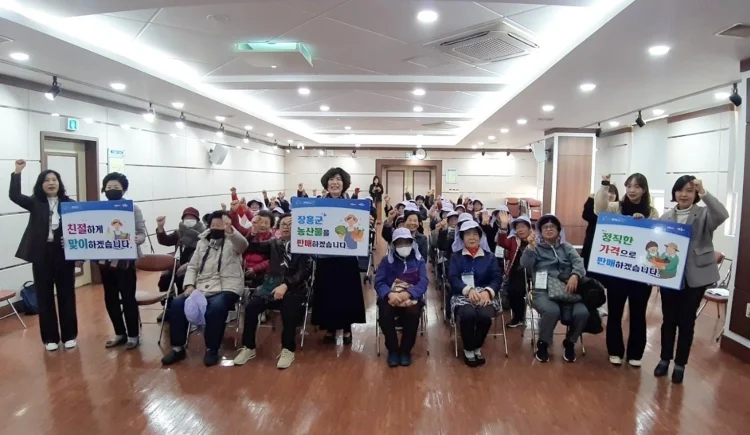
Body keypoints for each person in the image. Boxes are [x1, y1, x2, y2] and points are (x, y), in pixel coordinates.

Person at [655, 176, 728, 383]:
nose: (684, 194)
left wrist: (704, 191)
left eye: (689, 190)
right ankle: (664, 359)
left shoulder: (704, 214)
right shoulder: (666, 217)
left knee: (687, 322)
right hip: (670, 275)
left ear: (695, 194)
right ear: (674, 193)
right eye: (680, 190)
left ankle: (680, 364)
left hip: (694, 277)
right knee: (668, 320)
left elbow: (722, 214)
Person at [161, 211, 248, 367]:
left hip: (227, 286)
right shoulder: (202, 242)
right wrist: (189, 285)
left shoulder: (233, 240)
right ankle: (178, 348)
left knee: (216, 307)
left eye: (220, 225)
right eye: (213, 225)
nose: (216, 228)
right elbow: (193, 266)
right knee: (177, 304)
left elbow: (243, 245)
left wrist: (230, 229)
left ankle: (212, 349)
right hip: (201, 286)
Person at [10, 159, 77, 351]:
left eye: (54, 179)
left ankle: (70, 335)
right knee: (44, 296)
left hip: (63, 254)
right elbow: (14, 195)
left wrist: (74, 246)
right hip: (41, 254)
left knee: (67, 295)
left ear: (59, 183)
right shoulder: (35, 202)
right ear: (41, 185)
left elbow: (79, 229)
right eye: (47, 180)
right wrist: (17, 172)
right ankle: (50, 338)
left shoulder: (70, 204)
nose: (51, 183)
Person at [595, 173, 660, 367]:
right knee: (615, 312)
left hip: (641, 271)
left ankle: (635, 354)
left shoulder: (652, 211)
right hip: (618, 270)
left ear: (644, 190)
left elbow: (657, 238)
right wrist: (604, 185)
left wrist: (644, 223)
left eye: (637, 186)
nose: (632, 190)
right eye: (629, 186)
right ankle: (615, 351)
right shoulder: (616, 207)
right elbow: (599, 210)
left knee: (638, 314)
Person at [233, 213, 313, 369]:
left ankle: (288, 349)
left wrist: (286, 285)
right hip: (271, 286)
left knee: (288, 310)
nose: (286, 227)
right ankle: (248, 347)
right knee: (251, 307)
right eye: (283, 224)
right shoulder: (274, 243)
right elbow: (251, 247)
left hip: (295, 288)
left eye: (290, 224)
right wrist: (253, 233)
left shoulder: (305, 245)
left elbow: (304, 271)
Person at [521, 215, 589, 363]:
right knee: (552, 311)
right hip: (542, 291)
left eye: (552, 226)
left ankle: (570, 342)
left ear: (559, 230)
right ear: (540, 231)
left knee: (582, 312)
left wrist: (575, 275)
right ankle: (543, 343)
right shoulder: (535, 248)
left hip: (568, 289)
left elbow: (579, 263)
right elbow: (525, 264)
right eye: (545, 227)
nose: (549, 229)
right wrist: (530, 247)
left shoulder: (567, 247)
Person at [312, 168, 368, 344]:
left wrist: (366, 222)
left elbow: (359, 230)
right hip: (325, 257)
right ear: (326, 183)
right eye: (331, 179)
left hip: (347, 257)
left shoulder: (353, 206)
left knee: (346, 293)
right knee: (328, 292)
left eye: (338, 179)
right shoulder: (317, 205)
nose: (334, 182)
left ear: (344, 184)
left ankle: (346, 328)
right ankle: (330, 327)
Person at [98, 173, 147, 349]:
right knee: (110, 298)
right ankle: (119, 333)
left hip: (126, 262)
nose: (112, 190)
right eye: (109, 188)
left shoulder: (133, 209)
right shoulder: (97, 209)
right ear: (104, 190)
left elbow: (141, 233)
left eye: (116, 188)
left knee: (128, 298)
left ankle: (133, 335)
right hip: (104, 261)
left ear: (124, 190)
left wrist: (137, 239)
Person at [449, 221, 502, 367]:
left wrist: (488, 292)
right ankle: (468, 349)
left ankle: (476, 346)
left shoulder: (490, 257)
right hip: (462, 294)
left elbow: (497, 278)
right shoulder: (456, 257)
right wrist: (468, 290)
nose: (471, 237)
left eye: (474, 234)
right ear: (462, 238)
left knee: (485, 315)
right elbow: (453, 278)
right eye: (467, 234)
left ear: (480, 237)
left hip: (485, 294)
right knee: (468, 314)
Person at [374, 228, 428, 367]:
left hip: (411, 296)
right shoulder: (386, 261)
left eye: (406, 242)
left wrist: (409, 293)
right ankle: (393, 350)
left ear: (412, 243)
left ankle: (405, 350)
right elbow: (379, 282)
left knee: (413, 312)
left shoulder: (419, 261)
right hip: (391, 297)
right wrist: (389, 294)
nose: (404, 246)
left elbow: (423, 281)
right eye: (400, 243)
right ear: (394, 245)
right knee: (385, 313)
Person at [155, 208, 205, 322]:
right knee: (165, 278)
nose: (189, 220)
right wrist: (160, 228)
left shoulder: (203, 234)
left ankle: (185, 309)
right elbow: (165, 241)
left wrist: (189, 265)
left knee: (183, 279)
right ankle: (168, 307)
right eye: (186, 218)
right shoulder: (178, 232)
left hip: (194, 266)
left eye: (191, 218)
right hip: (177, 264)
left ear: (197, 220)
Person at [496, 214, 533, 328]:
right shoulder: (513, 240)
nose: (520, 230)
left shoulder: (536, 239)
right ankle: (518, 317)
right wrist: (503, 226)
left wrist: (533, 244)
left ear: (529, 228)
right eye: (517, 227)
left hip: (534, 272)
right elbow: (502, 242)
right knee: (512, 292)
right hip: (516, 272)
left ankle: (520, 316)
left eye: (523, 227)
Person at [582, 184, 619, 268]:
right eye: (608, 192)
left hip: (611, 247)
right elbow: (586, 215)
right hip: (593, 243)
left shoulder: (619, 209)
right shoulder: (596, 208)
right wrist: (591, 199)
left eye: (613, 193)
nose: (610, 195)